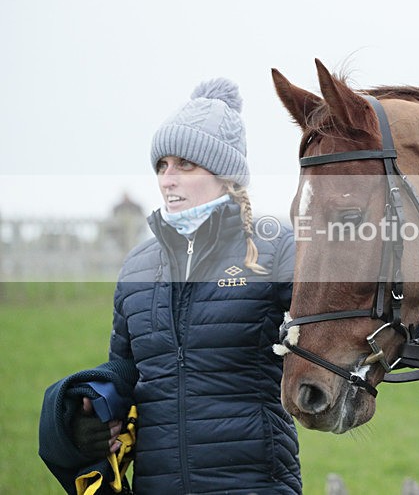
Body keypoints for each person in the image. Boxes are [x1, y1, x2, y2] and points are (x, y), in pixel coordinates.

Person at [39, 78, 301, 494]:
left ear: (224, 176)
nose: (168, 179)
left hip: (255, 482)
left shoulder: (275, 251)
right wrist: (82, 413)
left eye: (185, 165)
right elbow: (126, 373)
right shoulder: (137, 267)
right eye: (162, 166)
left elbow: (345, 324)